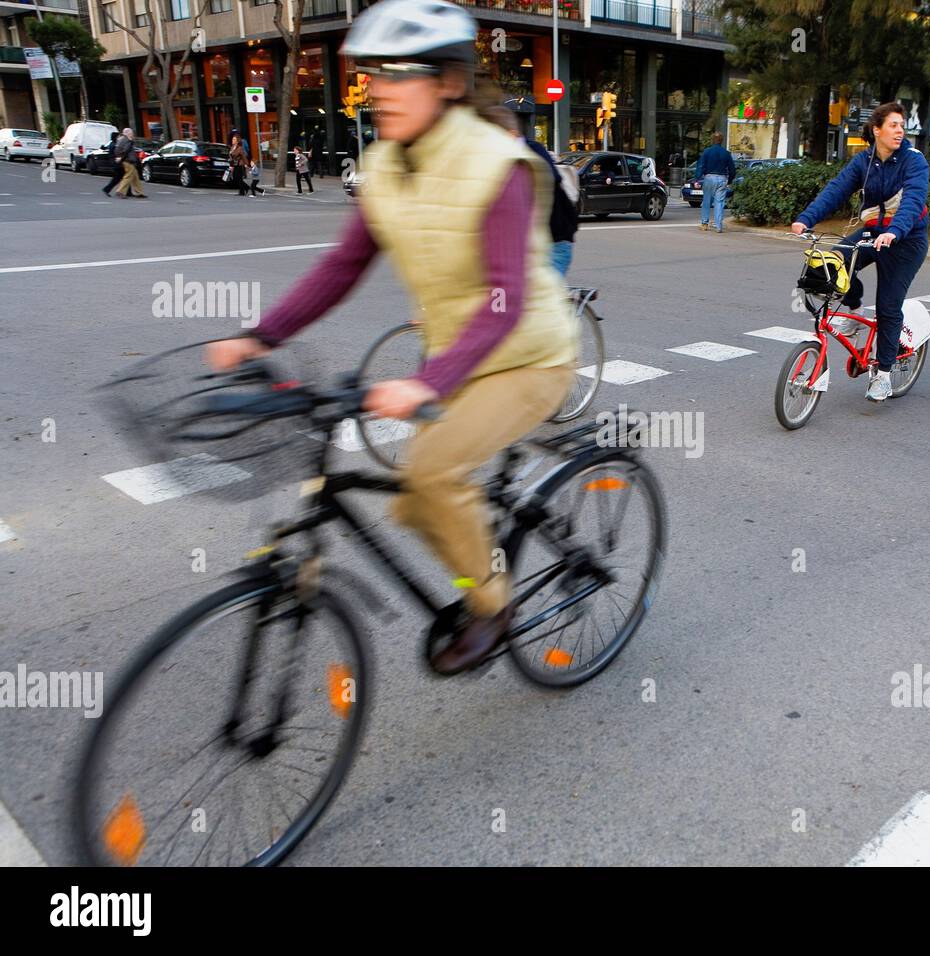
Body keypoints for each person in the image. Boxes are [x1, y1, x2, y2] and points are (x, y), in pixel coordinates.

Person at [205, 0, 577, 675]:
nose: (380, 88)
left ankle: (491, 604)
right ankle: (474, 573)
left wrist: (425, 383)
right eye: (375, 73)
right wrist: (261, 335)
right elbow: (344, 264)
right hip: (459, 357)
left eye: (401, 72)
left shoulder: (498, 164)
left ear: (450, 82)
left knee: (430, 473)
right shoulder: (382, 165)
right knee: (417, 498)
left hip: (530, 354)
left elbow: (503, 300)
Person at [790, 101, 930, 402]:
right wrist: (805, 219)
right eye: (893, 125)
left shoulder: (914, 161)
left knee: (889, 306)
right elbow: (836, 189)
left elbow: (914, 200)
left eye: (902, 125)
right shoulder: (864, 161)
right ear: (876, 130)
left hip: (906, 240)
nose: (900, 130)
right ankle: (853, 311)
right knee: (834, 262)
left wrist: (895, 231)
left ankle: (882, 375)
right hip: (872, 233)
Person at [492, 98, 579, 277]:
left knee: (540, 299)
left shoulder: (533, 151)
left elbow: (547, 181)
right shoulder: (502, 158)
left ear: (511, 134)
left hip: (554, 241)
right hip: (526, 244)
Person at [694, 131, 735, 233]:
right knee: (719, 202)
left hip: (709, 178)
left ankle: (704, 223)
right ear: (721, 141)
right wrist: (729, 180)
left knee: (707, 201)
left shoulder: (707, 152)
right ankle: (718, 226)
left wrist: (697, 178)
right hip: (722, 178)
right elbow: (732, 169)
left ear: (713, 140)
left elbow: (701, 165)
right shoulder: (726, 153)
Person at [112, 129, 148, 199]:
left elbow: (118, 150)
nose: (132, 134)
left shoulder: (122, 140)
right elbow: (126, 151)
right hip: (128, 161)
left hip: (127, 160)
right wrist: (122, 158)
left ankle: (139, 192)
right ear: (127, 133)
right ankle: (120, 191)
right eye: (131, 133)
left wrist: (120, 157)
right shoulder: (126, 140)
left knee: (135, 177)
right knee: (128, 177)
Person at [101, 129, 129, 196]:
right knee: (122, 177)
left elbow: (105, 148)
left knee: (122, 177)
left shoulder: (111, 144)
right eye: (118, 136)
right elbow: (118, 153)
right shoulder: (115, 145)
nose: (119, 137)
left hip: (114, 162)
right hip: (117, 163)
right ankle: (107, 189)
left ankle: (127, 191)